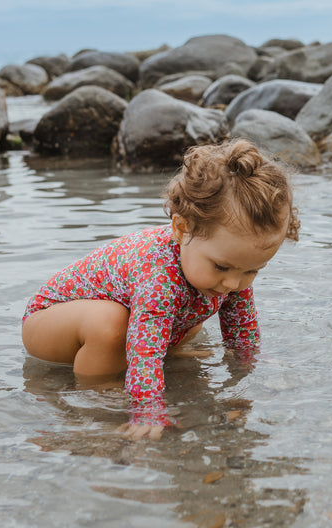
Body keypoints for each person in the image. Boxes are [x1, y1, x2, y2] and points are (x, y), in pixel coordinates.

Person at [21, 139, 300, 439]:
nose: (234, 283)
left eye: (252, 270)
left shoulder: (233, 266)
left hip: (136, 321)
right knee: (112, 323)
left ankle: (152, 362)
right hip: (49, 323)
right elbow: (144, 351)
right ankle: (98, 396)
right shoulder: (159, 275)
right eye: (221, 267)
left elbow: (241, 332)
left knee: (184, 315)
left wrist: (252, 370)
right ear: (181, 229)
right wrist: (147, 408)